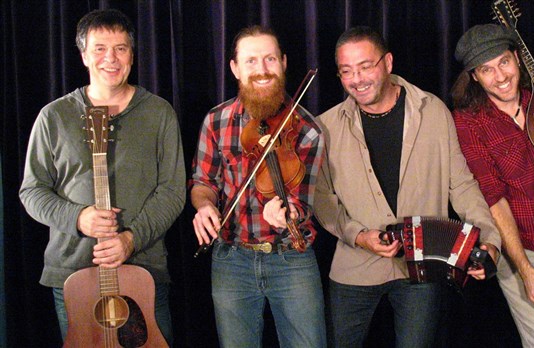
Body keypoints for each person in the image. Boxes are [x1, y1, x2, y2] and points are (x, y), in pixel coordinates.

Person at [313, 26, 501, 348]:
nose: (357, 79)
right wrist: (358, 235)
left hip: (422, 268)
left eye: (365, 66)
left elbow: (462, 185)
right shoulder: (324, 127)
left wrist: (489, 241)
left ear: (387, 62)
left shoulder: (433, 111)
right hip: (354, 267)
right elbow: (321, 200)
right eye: (347, 71)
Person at [19, 9, 185, 345]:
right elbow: (32, 191)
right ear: (83, 55)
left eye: (121, 48)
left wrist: (131, 238)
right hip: (73, 274)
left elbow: (172, 191)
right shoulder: (54, 116)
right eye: (99, 48)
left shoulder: (159, 113)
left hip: (145, 273)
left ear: (132, 56)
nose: (111, 58)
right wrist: (78, 218)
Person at [451, 24, 534, 348]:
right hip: (522, 251)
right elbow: (493, 200)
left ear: (517, 59)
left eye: (504, 62)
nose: (500, 76)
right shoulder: (468, 123)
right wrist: (525, 271)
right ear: (474, 77)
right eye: (486, 69)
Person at [190, 25, 326, 347]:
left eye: (270, 60)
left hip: (291, 259)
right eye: (251, 61)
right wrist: (204, 205)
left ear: (283, 63)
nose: (262, 70)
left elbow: (302, 204)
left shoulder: (307, 129)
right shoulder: (216, 121)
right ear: (235, 68)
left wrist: (288, 213)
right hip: (231, 259)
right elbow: (202, 182)